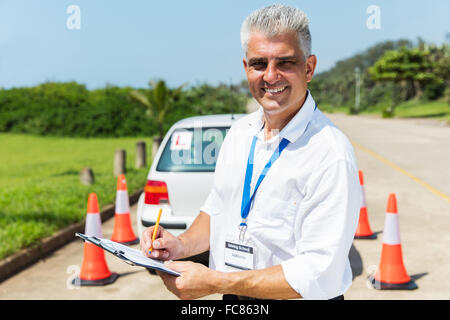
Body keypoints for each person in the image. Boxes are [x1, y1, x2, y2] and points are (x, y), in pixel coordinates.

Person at [140, 4, 360, 300]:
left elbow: (319, 273)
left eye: (285, 63)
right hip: (236, 297)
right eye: (259, 64)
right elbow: (217, 208)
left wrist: (218, 282)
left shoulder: (329, 153)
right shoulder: (239, 133)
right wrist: (180, 244)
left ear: (308, 68)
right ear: (246, 68)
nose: (271, 76)